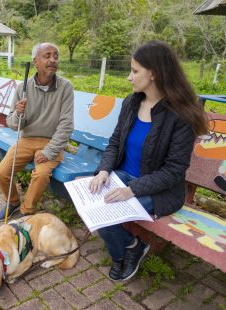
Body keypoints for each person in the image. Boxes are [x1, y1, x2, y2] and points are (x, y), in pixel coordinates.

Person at [88, 40, 207, 281]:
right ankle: (132, 246)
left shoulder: (181, 115)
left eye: (134, 71)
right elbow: (114, 143)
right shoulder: (131, 103)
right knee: (91, 199)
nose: (129, 77)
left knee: (105, 211)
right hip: (124, 177)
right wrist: (103, 171)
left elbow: (174, 171)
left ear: (153, 73)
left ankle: (120, 255)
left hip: (161, 190)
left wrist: (132, 189)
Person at [0, 42, 74, 221]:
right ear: (36, 62)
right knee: (1, 173)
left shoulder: (65, 87)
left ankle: (27, 210)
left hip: (52, 142)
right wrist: (18, 113)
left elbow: (66, 125)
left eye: (56, 56)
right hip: (27, 139)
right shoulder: (23, 87)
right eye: (47, 56)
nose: (53, 60)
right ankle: (13, 201)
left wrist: (49, 152)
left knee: (41, 174)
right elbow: (13, 124)